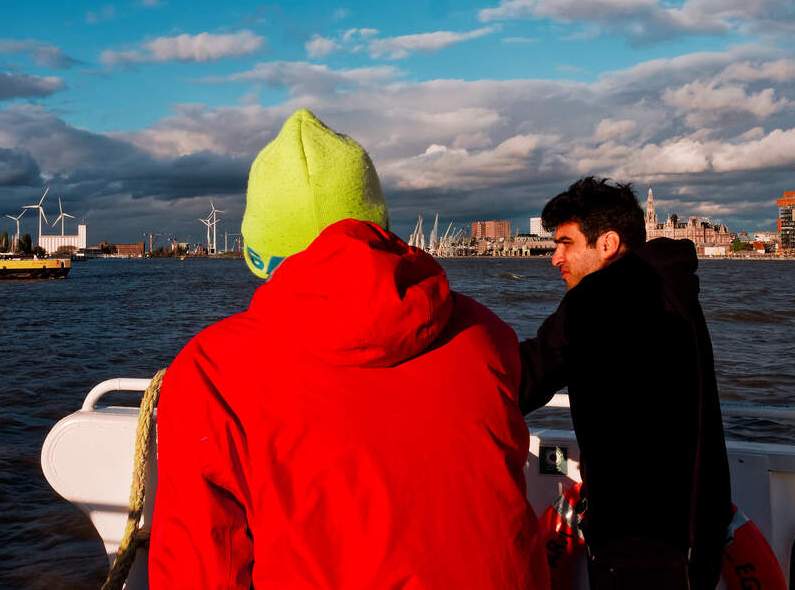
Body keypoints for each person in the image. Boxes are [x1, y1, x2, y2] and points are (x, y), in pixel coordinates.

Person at [148, 109, 546, 588]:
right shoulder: (486, 334)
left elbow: (200, 563)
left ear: (254, 253)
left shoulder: (210, 368)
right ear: (381, 226)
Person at [519, 177, 732, 589]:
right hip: (697, 528)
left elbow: (527, 376)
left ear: (607, 243)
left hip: (639, 536)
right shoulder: (672, 288)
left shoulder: (599, 297)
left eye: (566, 243)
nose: (554, 257)